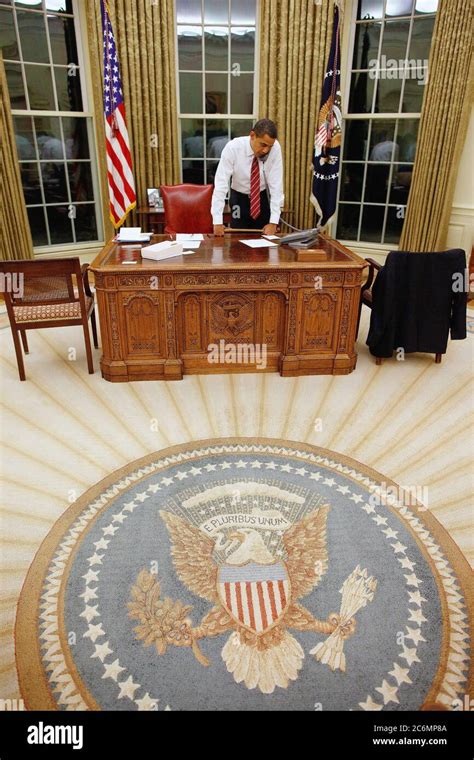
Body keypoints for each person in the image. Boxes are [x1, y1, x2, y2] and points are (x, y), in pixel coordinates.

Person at [211, 118, 284, 236]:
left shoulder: (275, 148)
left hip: (261, 198)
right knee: (238, 243)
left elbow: (277, 185)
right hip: (239, 198)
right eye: (263, 145)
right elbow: (221, 184)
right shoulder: (233, 148)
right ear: (252, 135)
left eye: (269, 147)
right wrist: (217, 221)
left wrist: (273, 222)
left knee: (264, 244)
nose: (266, 150)